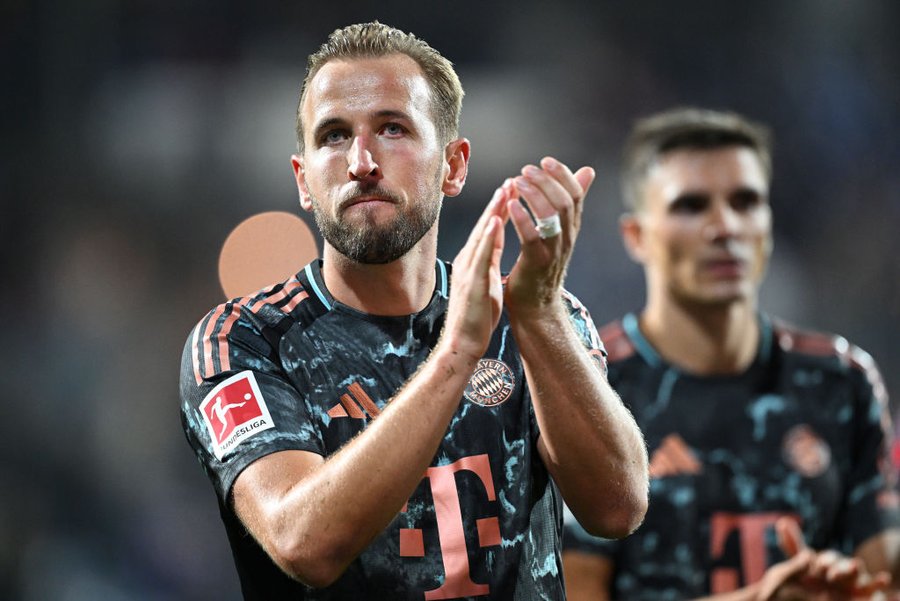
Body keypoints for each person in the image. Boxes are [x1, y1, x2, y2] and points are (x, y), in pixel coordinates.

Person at [179, 21, 649, 600]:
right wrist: (456, 355)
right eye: (332, 136)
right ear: (304, 181)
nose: (360, 162)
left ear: (453, 165)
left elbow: (617, 507)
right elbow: (303, 543)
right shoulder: (243, 339)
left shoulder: (535, 317)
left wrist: (543, 317)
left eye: (392, 128)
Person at [562, 107, 900, 600]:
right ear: (636, 236)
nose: (725, 227)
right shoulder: (589, 387)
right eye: (692, 206)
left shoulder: (841, 382)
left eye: (746, 202)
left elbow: (883, 583)